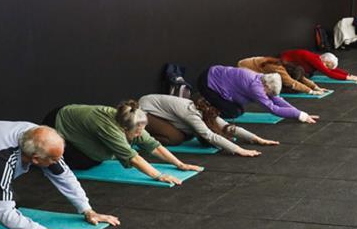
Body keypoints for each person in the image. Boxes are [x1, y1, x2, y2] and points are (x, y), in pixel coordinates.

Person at [44, 101, 204, 185]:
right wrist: (159, 176)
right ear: (124, 128)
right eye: (136, 131)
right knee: (88, 162)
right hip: (55, 124)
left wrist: (180, 164)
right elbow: (132, 158)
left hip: (78, 121)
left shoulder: (131, 117)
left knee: (100, 156)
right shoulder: (109, 128)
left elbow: (152, 144)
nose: (140, 134)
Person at [138, 93, 279, 156]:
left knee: (186, 134)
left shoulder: (208, 113)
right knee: (176, 138)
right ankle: (139, 137)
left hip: (159, 109)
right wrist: (239, 150)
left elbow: (228, 127)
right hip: (144, 110)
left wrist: (256, 139)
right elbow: (209, 136)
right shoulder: (193, 114)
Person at [195, 66, 319, 124]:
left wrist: (300, 113)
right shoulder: (256, 87)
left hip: (215, 75)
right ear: (266, 87)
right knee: (233, 112)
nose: (268, 95)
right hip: (207, 83)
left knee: (239, 110)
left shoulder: (263, 79)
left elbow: (277, 99)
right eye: (268, 93)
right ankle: (202, 107)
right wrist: (299, 115)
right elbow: (273, 109)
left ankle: (211, 101)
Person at [238, 55, 327, 94]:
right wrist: (311, 92)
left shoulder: (287, 66)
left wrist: (315, 87)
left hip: (250, 63)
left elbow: (302, 78)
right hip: (244, 67)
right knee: (291, 88)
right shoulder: (277, 69)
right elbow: (292, 83)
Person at [280, 49, 357, 83]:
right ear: (325, 60)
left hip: (292, 64)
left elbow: (332, 70)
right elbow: (329, 73)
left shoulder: (318, 59)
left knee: (308, 75)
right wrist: (349, 78)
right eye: (327, 65)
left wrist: (349, 75)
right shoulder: (315, 59)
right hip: (283, 63)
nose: (325, 66)